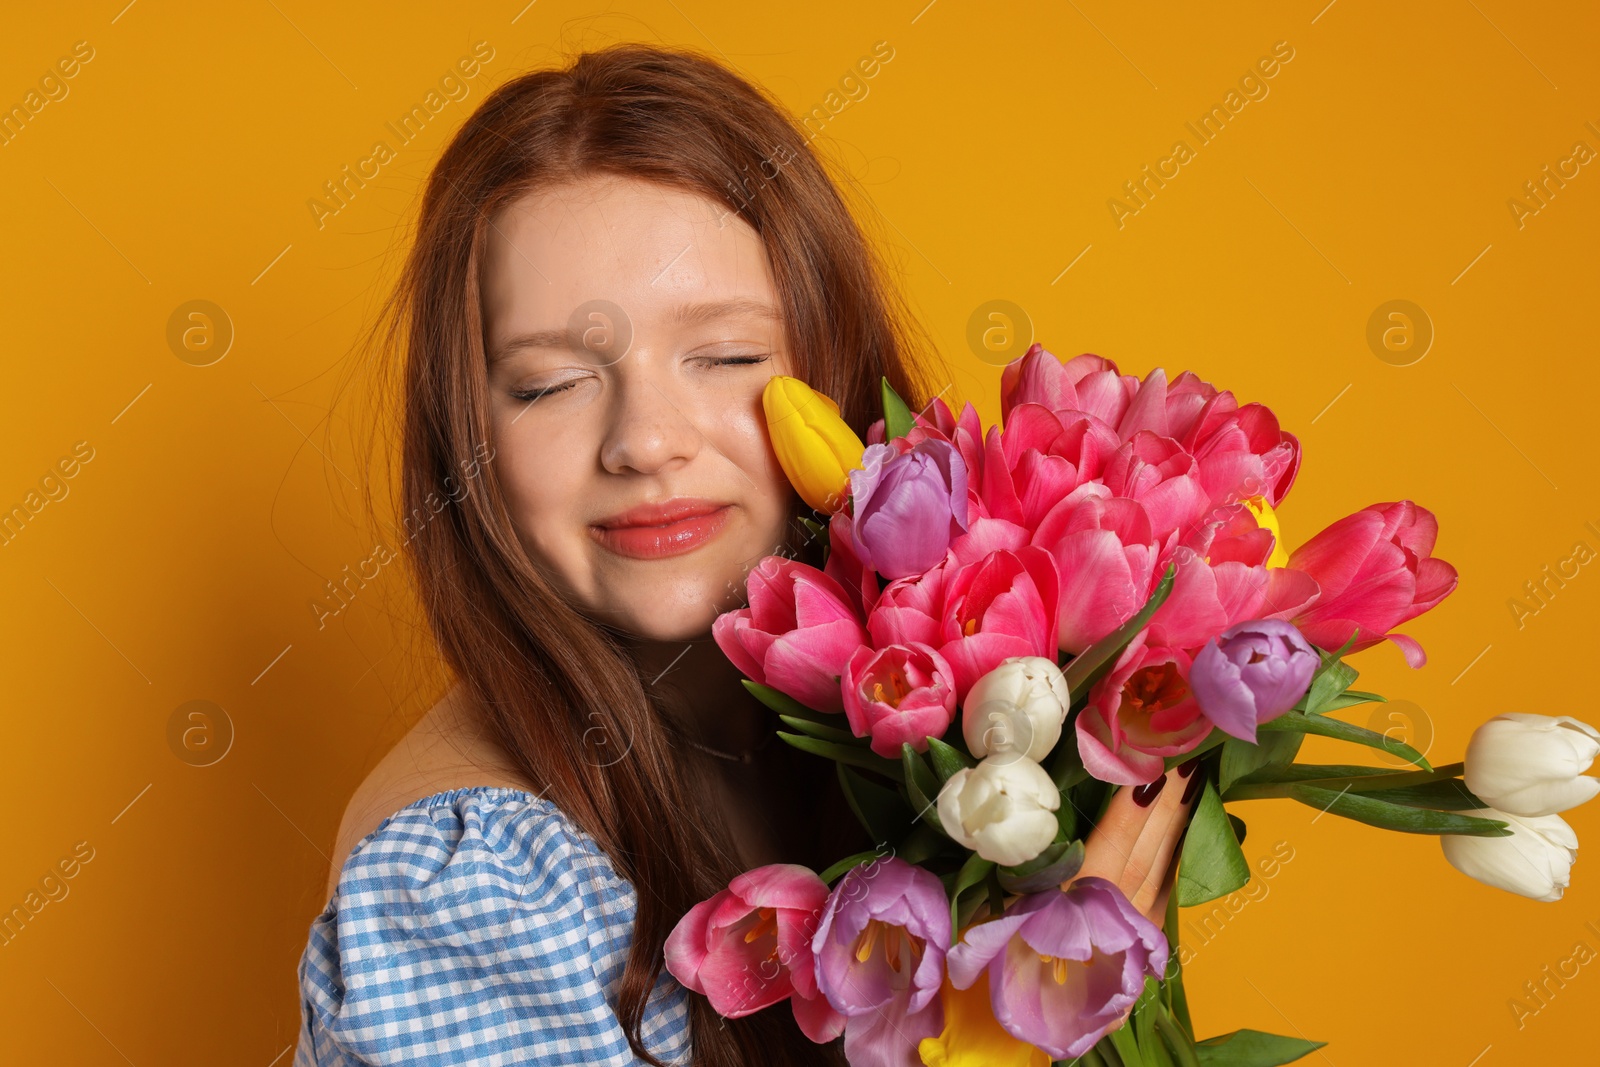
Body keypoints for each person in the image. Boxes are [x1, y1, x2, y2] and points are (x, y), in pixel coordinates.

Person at [293, 42, 1194, 1067]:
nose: (644, 440)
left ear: (837, 374)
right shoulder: (475, 886)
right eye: (548, 383)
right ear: (472, 443)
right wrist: (1011, 1030)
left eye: (724, 357)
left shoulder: (917, 736)